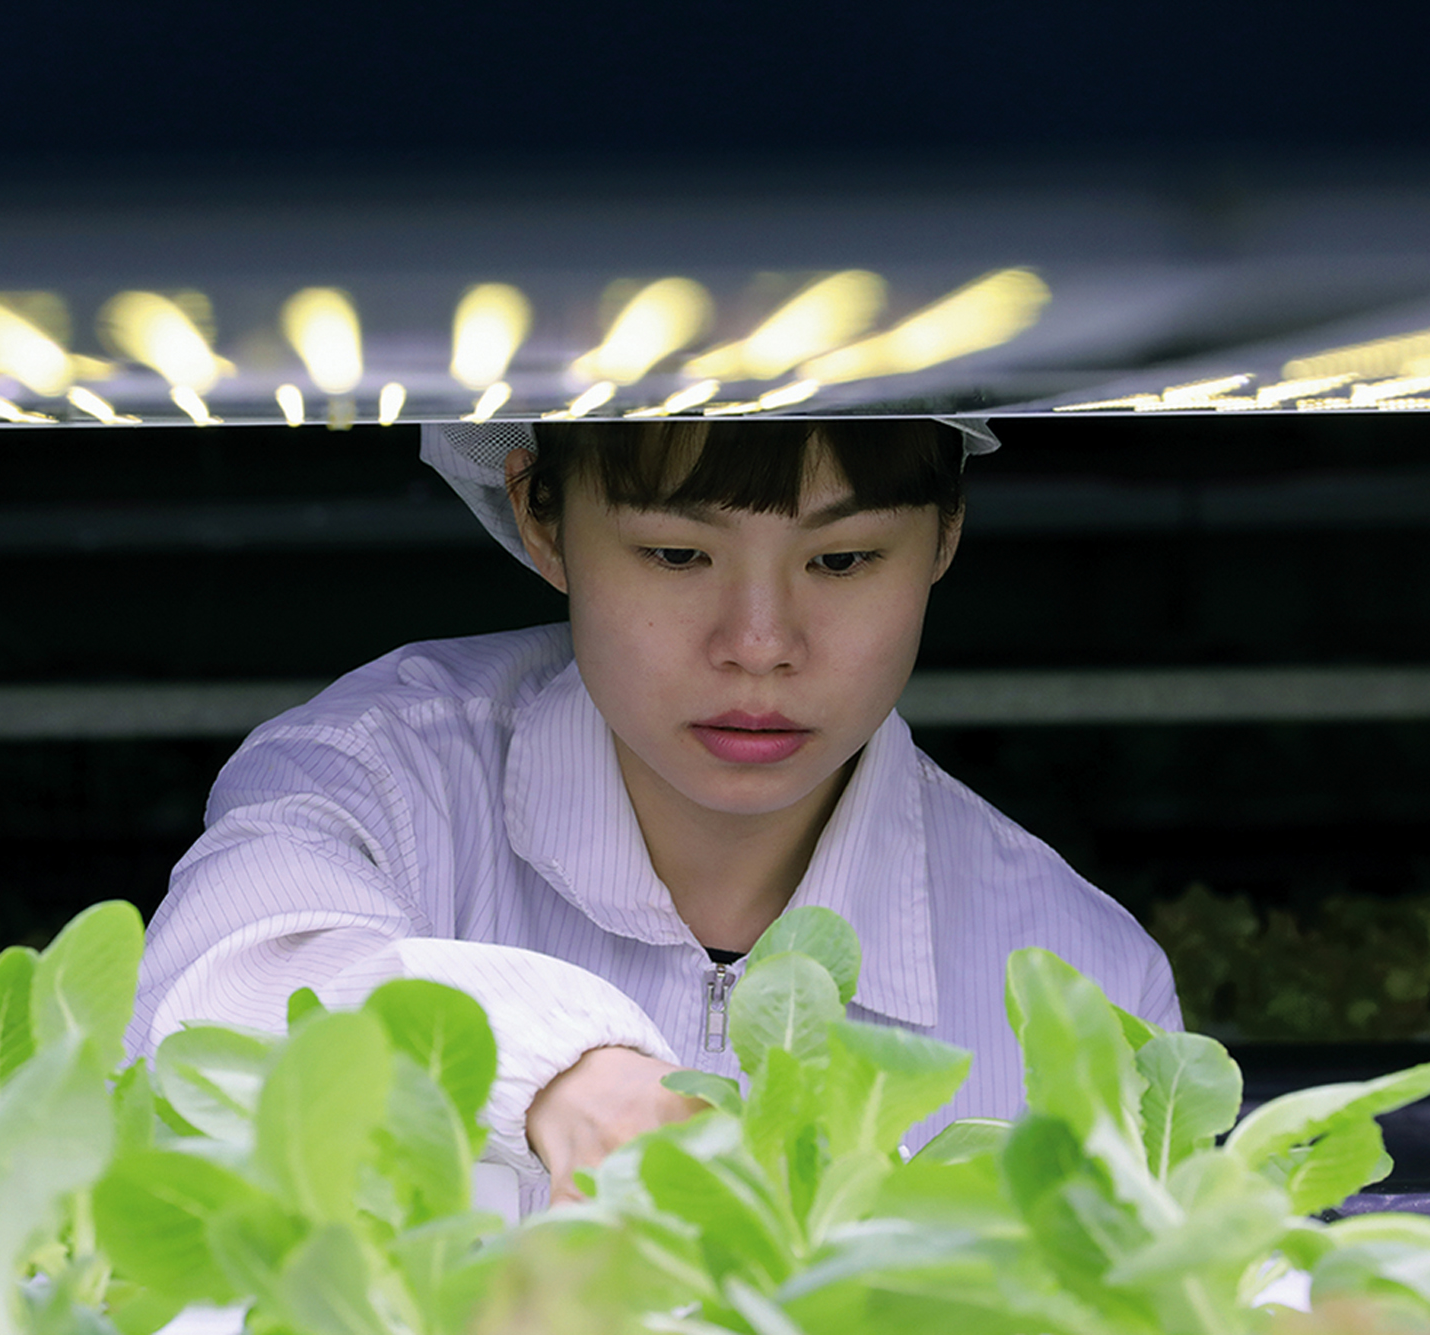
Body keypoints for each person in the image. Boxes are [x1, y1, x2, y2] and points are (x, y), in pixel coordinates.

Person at [128, 416, 1180, 1211]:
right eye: (677, 555)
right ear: (541, 517)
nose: (758, 644)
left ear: (945, 534)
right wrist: (550, 1071)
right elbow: (213, 990)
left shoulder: (1080, 978)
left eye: (842, 559)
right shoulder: (386, 784)